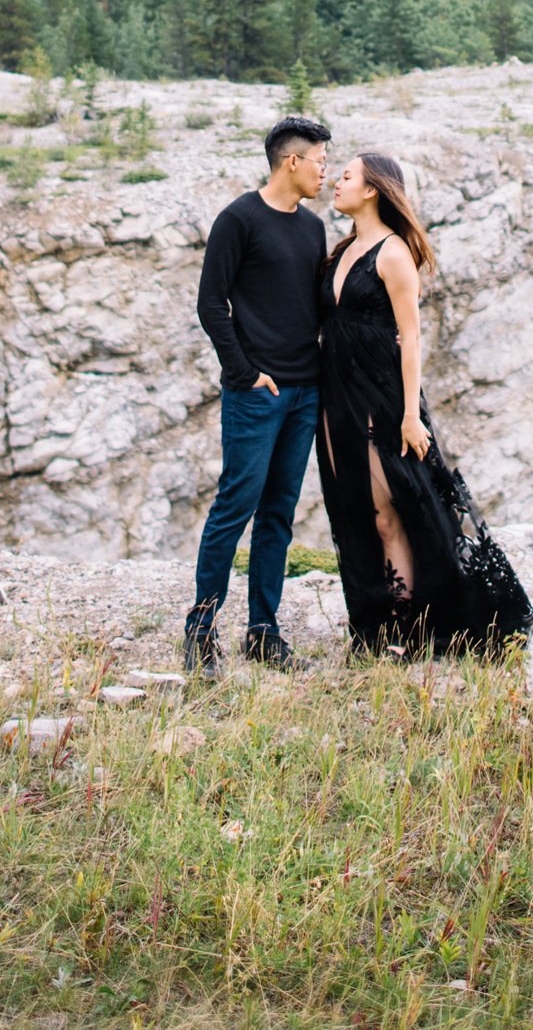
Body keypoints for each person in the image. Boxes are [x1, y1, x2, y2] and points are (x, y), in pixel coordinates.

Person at [318, 150, 533, 656]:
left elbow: (411, 337)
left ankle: (406, 628)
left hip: (382, 398)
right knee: (354, 509)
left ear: (372, 189)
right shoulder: (344, 247)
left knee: (389, 512)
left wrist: (412, 415)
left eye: (346, 176)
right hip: (337, 395)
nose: (337, 182)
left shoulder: (392, 253)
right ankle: (375, 620)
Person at [183, 113, 332, 676]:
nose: (325, 172)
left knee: (278, 515)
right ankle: (200, 630)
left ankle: (263, 630)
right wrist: (243, 372)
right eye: (319, 162)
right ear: (291, 162)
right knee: (233, 507)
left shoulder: (312, 227)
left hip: (305, 393)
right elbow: (210, 304)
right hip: (257, 395)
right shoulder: (238, 220)